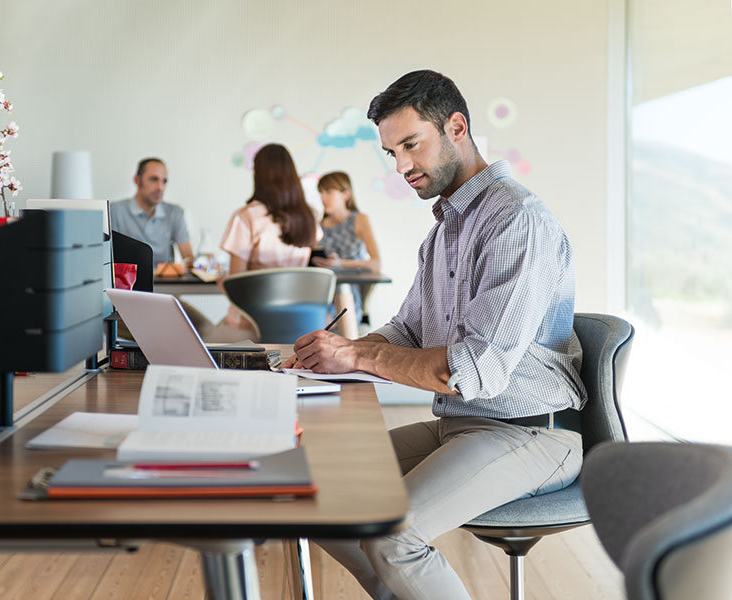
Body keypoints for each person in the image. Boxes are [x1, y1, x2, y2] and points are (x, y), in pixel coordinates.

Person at [288, 70, 586, 599]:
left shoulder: (517, 220)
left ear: (456, 126)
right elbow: (406, 330)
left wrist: (355, 356)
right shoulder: (444, 231)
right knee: (318, 491)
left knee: (394, 535)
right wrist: (330, 355)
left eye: (411, 144)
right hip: (461, 426)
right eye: (391, 152)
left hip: (529, 431)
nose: (401, 165)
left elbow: (472, 369)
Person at [206, 144, 320, 342]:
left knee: (194, 333)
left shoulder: (246, 217)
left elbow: (236, 285)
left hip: (248, 330)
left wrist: (222, 281)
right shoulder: (309, 218)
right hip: (295, 330)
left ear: (258, 175)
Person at [311, 171, 381, 339]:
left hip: (348, 293)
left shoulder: (359, 220)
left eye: (328, 191)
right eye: (321, 192)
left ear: (346, 194)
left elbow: (376, 263)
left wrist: (340, 264)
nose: (323, 197)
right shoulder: (318, 225)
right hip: (322, 293)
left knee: (321, 323)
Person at [109, 157, 193, 266]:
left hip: (165, 282)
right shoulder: (115, 211)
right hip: (130, 282)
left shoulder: (175, 213)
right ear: (137, 181)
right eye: (154, 179)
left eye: (164, 181)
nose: (160, 187)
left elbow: (189, 259)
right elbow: (108, 261)